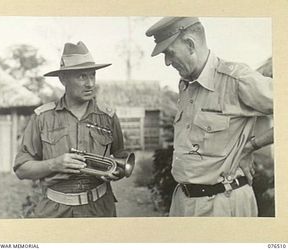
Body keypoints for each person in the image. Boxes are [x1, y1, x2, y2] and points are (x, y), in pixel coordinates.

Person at [146, 17, 274, 217]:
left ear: (190, 44)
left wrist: (252, 145)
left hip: (222, 203)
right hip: (183, 203)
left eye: (169, 53)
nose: (167, 62)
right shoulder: (186, 85)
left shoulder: (236, 79)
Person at [14, 41, 125, 218]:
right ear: (63, 79)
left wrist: (117, 172)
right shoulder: (42, 117)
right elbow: (21, 169)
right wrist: (54, 164)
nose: (90, 83)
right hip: (55, 211)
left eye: (93, 75)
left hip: (100, 209)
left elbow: (121, 158)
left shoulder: (108, 117)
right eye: (82, 76)